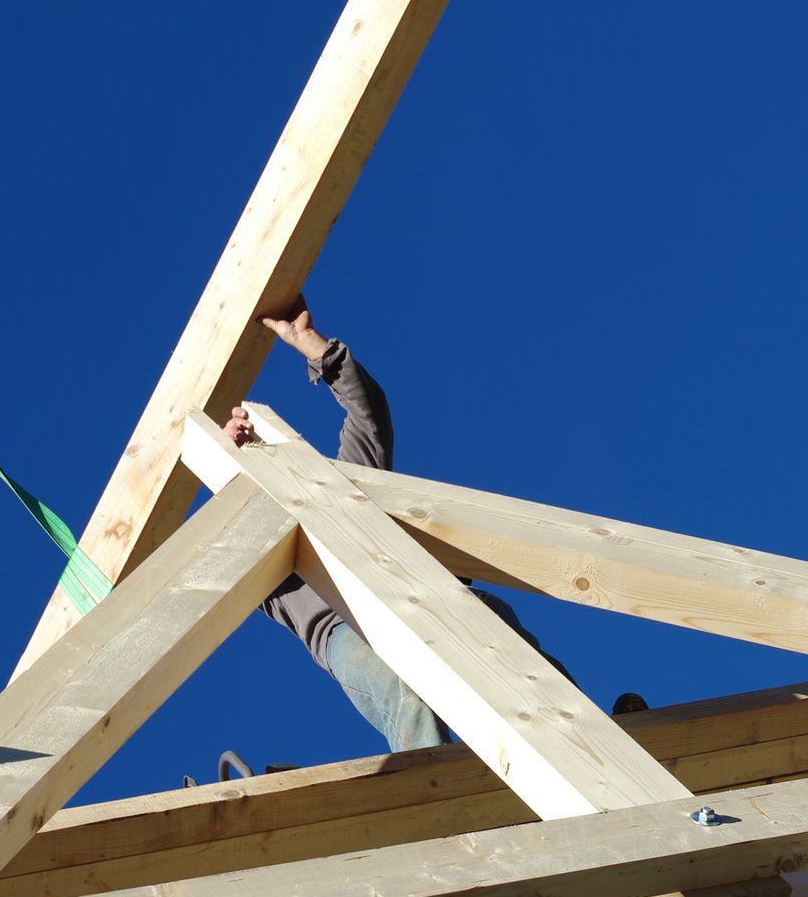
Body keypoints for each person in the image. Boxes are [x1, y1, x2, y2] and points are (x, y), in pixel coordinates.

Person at [224, 298, 585, 753]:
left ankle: (598, 747)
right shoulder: (253, 550)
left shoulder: (341, 490)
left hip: (431, 593)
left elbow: (369, 415)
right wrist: (228, 464)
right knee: (406, 691)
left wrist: (314, 347)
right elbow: (200, 571)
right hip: (348, 629)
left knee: (518, 658)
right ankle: (437, 791)